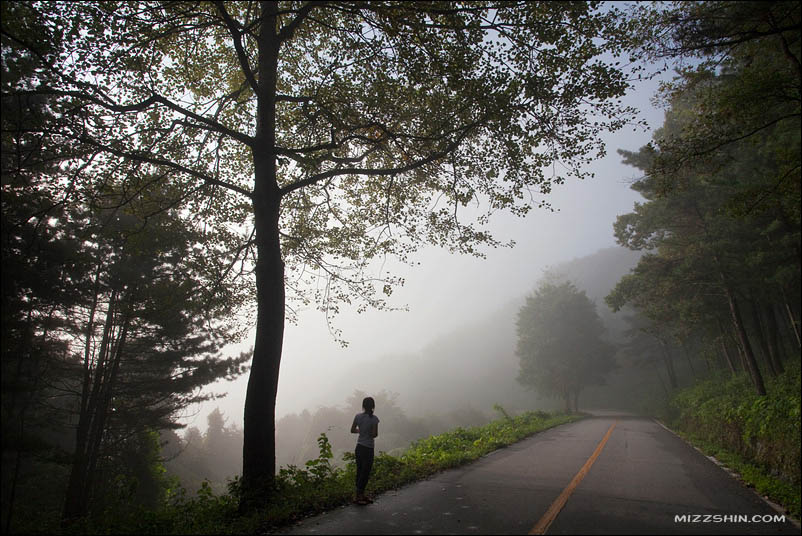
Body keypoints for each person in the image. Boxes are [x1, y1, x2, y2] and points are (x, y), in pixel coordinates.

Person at [350, 396, 379, 505]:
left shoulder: (358, 417)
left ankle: (359, 495)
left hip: (359, 447)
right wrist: (368, 432)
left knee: (359, 470)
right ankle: (359, 495)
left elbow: (352, 430)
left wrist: (361, 431)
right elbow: (375, 434)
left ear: (363, 406)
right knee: (365, 472)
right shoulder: (374, 419)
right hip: (368, 448)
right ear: (373, 406)